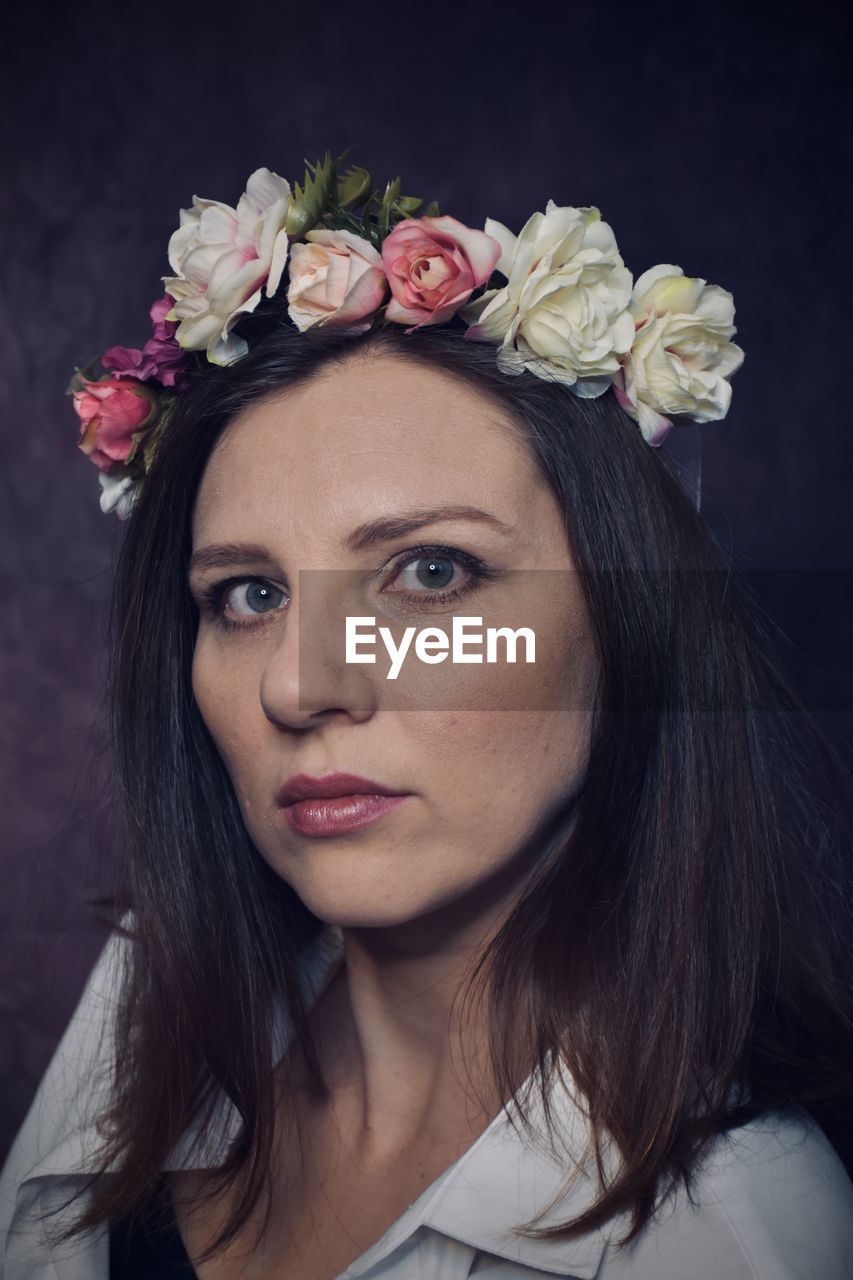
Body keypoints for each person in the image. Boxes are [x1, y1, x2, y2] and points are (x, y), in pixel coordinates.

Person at [2, 153, 852, 1280]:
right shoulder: (144, 1002)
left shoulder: (738, 1240)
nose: (301, 688)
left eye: (433, 571)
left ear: (624, 620)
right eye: (249, 594)